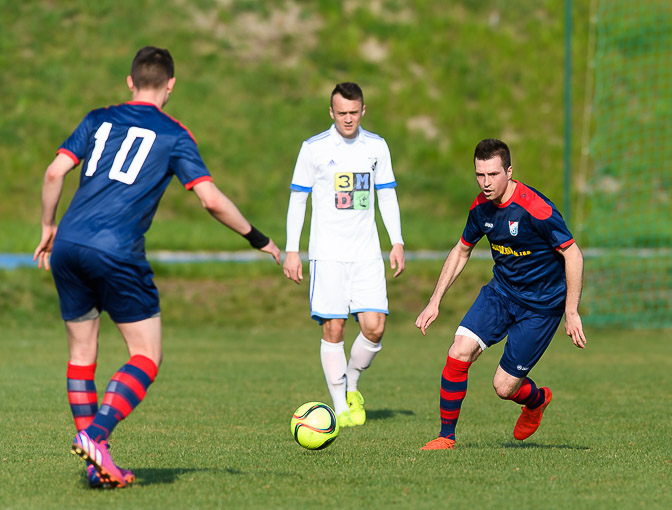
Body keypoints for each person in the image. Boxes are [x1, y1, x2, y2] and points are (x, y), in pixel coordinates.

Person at [33, 46, 281, 488]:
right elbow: (209, 199)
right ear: (171, 85)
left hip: (68, 244)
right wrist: (257, 238)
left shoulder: (98, 118)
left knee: (81, 356)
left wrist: (49, 226)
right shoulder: (174, 134)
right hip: (116, 250)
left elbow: (54, 173)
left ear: (130, 82)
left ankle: (97, 466)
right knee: (146, 355)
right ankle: (94, 436)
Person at [415, 138, 586, 450]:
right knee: (459, 351)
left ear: (509, 172)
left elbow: (572, 254)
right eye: (480, 175)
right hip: (501, 293)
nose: (486, 183)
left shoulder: (535, 209)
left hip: (541, 306)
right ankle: (445, 437)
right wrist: (434, 301)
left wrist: (571, 311)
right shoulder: (481, 207)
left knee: (504, 387)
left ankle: (537, 401)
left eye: (493, 174)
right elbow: (461, 250)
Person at [283, 82, 405, 428]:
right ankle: (339, 407)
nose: (348, 119)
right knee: (333, 328)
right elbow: (298, 199)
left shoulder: (377, 147)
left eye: (353, 112)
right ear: (331, 112)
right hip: (328, 255)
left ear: (363, 111)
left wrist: (397, 241)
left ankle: (351, 384)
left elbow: (386, 195)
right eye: (341, 113)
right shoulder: (314, 149)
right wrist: (292, 250)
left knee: (375, 327)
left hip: (367, 254)